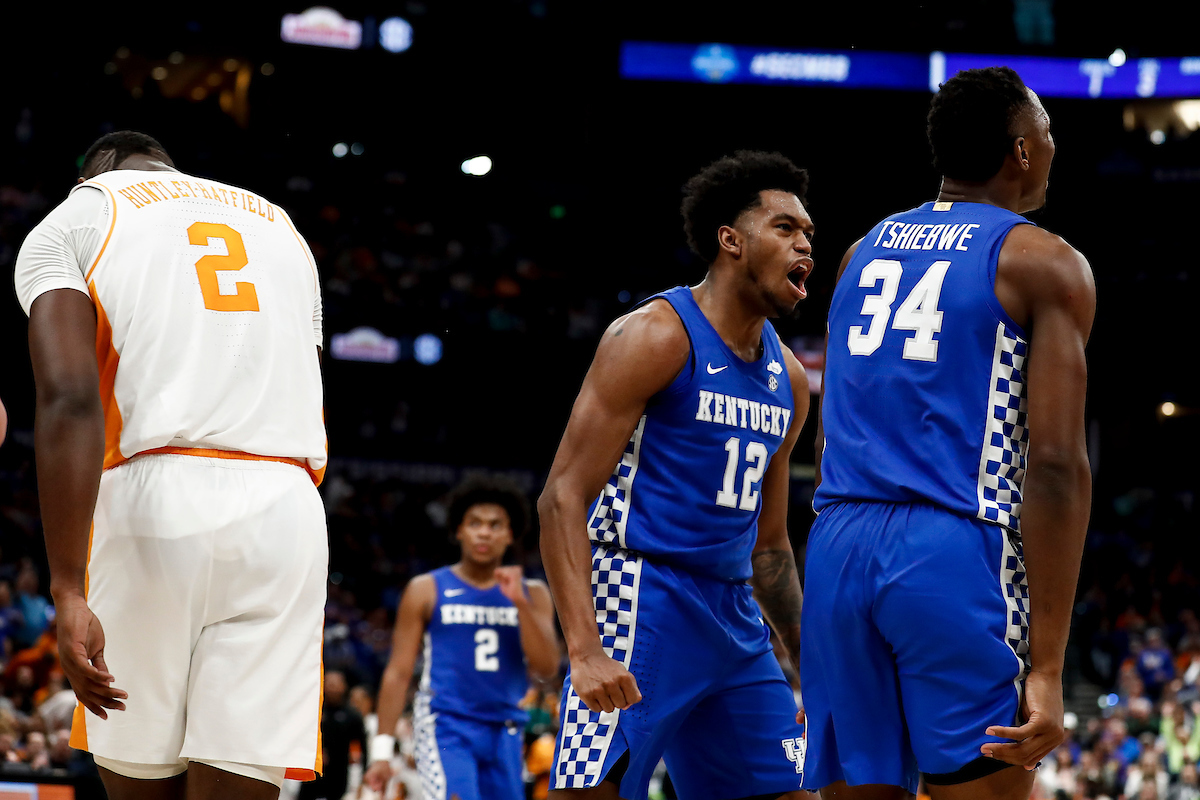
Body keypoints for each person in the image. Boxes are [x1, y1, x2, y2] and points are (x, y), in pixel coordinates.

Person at [803, 66, 1095, 800]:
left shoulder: (860, 250)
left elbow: (826, 435)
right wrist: (1051, 669)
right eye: (1048, 132)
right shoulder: (1043, 260)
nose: (1053, 146)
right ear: (1022, 151)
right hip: (950, 546)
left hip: (837, 543)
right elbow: (1056, 466)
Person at [15, 131, 328, 799]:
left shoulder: (79, 214)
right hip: (287, 504)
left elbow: (69, 399)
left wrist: (68, 589)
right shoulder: (281, 225)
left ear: (95, 175)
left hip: (153, 495)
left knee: (141, 781)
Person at [538, 150, 813, 800]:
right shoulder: (656, 336)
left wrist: (808, 659)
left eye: (810, 234)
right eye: (785, 228)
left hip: (733, 611)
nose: (805, 244)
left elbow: (770, 546)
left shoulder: (792, 380)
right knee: (593, 792)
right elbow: (562, 498)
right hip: (639, 591)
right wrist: (582, 648)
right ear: (731, 241)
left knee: (791, 791)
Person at [365, 477, 559, 800]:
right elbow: (398, 673)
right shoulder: (425, 589)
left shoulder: (533, 593)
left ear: (510, 534)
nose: (484, 532)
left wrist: (519, 604)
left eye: (495, 525)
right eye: (475, 523)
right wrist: (382, 752)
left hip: (506, 728)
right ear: (458, 530)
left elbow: (547, 668)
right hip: (447, 724)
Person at [300, 670, 366, 800]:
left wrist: (363, 772)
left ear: (344, 686)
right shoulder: (312, 711)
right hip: (312, 768)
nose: (332, 687)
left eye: (336, 683)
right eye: (329, 683)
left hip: (339, 771)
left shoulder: (352, 716)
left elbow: (362, 747)